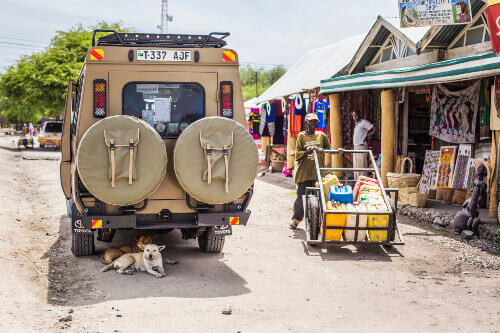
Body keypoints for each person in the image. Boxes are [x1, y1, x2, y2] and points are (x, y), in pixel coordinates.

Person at [290, 113, 330, 229]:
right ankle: (296, 220)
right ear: (306, 122)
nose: (313, 124)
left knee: (319, 199)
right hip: (304, 174)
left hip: (317, 173)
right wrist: (311, 150)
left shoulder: (321, 135)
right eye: (311, 122)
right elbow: (297, 154)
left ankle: (318, 224)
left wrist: (339, 150)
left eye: (315, 122)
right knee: (301, 199)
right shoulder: (301, 136)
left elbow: (328, 148)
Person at [352, 111, 377, 179]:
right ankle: (356, 181)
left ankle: (362, 181)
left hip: (362, 146)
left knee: (361, 165)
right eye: (353, 116)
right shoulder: (356, 124)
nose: (355, 117)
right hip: (356, 147)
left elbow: (375, 129)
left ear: (359, 115)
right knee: (356, 166)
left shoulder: (364, 122)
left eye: (356, 115)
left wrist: (367, 136)